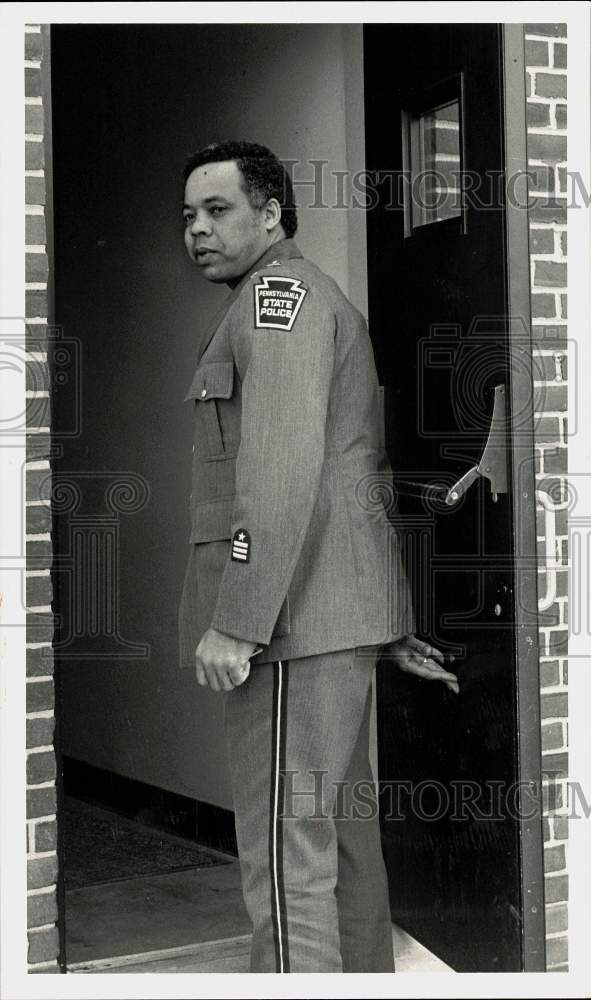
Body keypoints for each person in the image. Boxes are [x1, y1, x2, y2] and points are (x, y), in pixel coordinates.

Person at [177, 141, 458, 973]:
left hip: (290, 625)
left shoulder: (278, 298)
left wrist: (237, 620)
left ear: (271, 215)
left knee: (285, 846)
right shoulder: (292, 297)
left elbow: (281, 470)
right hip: (330, 617)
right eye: (188, 216)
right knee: (336, 834)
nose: (196, 229)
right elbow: (349, 471)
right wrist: (384, 621)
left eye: (217, 210)